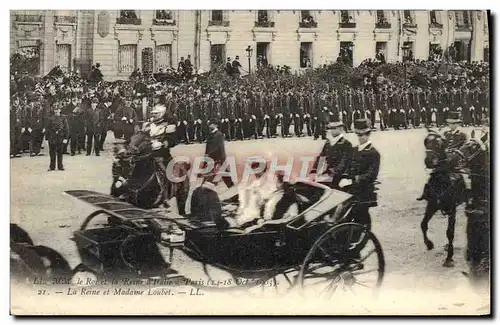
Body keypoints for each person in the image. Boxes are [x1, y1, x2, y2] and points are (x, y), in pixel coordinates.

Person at [338, 119, 380, 231]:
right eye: (359, 135)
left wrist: (354, 179)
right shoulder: (354, 149)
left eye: (363, 135)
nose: (361, 138)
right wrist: (344, 175)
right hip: (350, 186)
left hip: (363, 189)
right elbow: (347, 166)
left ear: (368, 135)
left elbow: (372, 175)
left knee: (355, 213)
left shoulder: (373, 153)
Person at [311, 121, 353, 188]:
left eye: (334, 128)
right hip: (329, 173)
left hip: (342, 175)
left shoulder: (346, 144)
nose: (332, 131)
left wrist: (332, 172)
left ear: (341, 129)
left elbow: (344, 162)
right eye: (331, 128)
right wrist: (314, 171)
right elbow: (321, 157)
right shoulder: (328, 143)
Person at [204, 121, 234, 188]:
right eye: (209, 125)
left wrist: (209, 154)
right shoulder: (210, 134)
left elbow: (219, 147)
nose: (210, 126)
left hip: (218, 157)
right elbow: (208, 147)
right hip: (212, 158)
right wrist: (206, 154)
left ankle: (232, 188)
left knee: (223, 173)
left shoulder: (219, 134)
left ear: (216, 125)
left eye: (211, 124)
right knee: (214, 174)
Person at [45, 104, 69, 171]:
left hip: (60, 138)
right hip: (52, 138)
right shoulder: (50, 118)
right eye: (55, 110)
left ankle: (60, 166)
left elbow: (66, 129)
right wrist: (47, 139)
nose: (56, 111)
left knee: (60, 153)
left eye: (58, 110)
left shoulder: (64, 118)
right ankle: (52, 167)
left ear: (60, 110)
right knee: (52, 153)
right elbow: (47, 129)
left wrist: (66, 138)